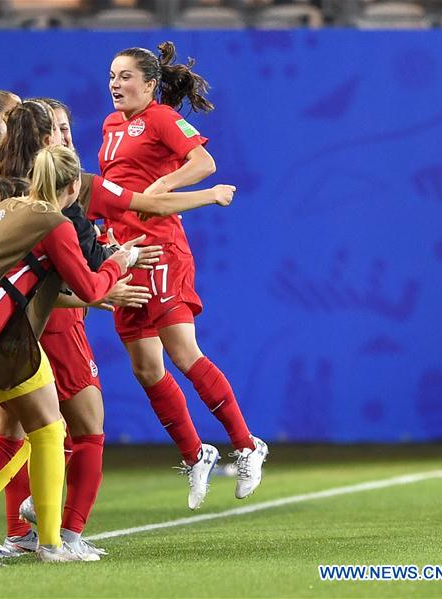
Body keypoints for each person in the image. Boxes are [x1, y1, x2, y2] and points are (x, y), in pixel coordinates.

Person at [0, 145, 151, 565]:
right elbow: (91, 289)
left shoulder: (10, 206)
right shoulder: (55, 223)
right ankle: (1, 540)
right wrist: (121, 260)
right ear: (73, 186)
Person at [102, 42, 268, 509]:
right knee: (145, 367)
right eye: (112, 76)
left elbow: (205, 163)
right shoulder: (110, 125)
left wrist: (163, 184)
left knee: (181, 351)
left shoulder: (158, 119)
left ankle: (246, 444)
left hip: (162, 249)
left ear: (150, 84)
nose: (116, 84)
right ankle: (197, 455)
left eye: (126, 76)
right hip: (126, 254)